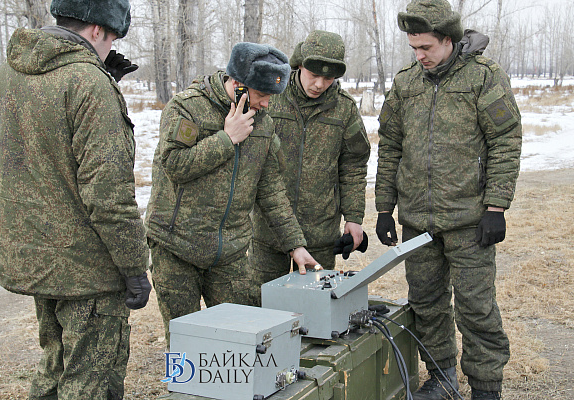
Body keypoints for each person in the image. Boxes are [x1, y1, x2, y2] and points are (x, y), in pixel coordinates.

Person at [0, 0, 151, 398]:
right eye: (111, 38)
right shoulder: (87, 83)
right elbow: (109, 196)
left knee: (54, 368)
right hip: (87, 269)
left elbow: (40, 154)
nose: (111, 48)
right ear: (97, 29)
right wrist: (135, 267)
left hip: (37, 255)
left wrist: (100, 78)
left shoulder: (12, 73)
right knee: (89, 382)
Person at [374, 1, 522, 399]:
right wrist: (385, 208)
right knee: (426, 305)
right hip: (417, 222)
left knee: (477, 308)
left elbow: (505, 141)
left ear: (449, 40)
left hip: (469, 221)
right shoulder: (406, 82)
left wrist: (496, 207)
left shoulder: (483, 77)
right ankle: (441, 378)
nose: (419, 56)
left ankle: (486, 388)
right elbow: (390, 146)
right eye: (413, 48)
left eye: (426, 47)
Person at [144, 42, 319, 341]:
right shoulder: (187, 107)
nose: (266, 104)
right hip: (177, 248)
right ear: (238, 85)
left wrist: (295, 245)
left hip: (230, 254)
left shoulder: (263, 124)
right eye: (262, 95)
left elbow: (271, 190)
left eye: (271, 96)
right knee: (186, 343)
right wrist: (227, 139)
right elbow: (174, 165)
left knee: (240, 339)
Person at [249, 30, 371, 293]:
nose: (319, 84)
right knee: (262, 302)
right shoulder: (271, 98)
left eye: (328, 78)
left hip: (320, 234)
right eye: (313, 75)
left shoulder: (344, 109)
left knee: (316, 306)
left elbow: (353, 166)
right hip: (268, 230)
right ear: (299, 66)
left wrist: (353, 217)